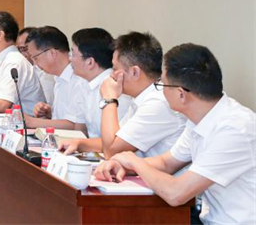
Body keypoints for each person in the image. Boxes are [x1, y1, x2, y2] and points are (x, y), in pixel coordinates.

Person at [93, 44, 255, 224]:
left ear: (181, 94)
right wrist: (121, 163)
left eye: (162, 84)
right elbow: (167, 163)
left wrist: (133, 162)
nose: (160, 90)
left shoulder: (234, 129)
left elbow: (176, 194)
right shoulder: (200, 116)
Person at [61, 32, 185, 159]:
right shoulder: (141, 97)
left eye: (115, 69)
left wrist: (109, 99)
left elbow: (111, 150)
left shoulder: (158, 102)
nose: (112, 75)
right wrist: (79, 143)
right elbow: (116, 139)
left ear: (135, 72)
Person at [23, 26, 89, 131]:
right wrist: (49, 113)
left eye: (35, 58)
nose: (35, 63)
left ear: (52, 53)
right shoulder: (58, 78)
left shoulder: (79, 79)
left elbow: (76, 126)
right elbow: (65, 118)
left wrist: (32, 122)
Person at [68, 28, 130, 138]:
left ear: (90, 62)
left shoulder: (115, 86)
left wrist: (78, 143)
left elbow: (116, 140)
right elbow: (80, 130)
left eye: (73, 54)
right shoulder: (83, 82)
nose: (70, 59)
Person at [19, 27, 54, 104]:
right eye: (19, 49)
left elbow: (48, 103)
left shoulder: (45, 70)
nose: (22, 54)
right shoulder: (22, 68)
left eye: (25, 48)